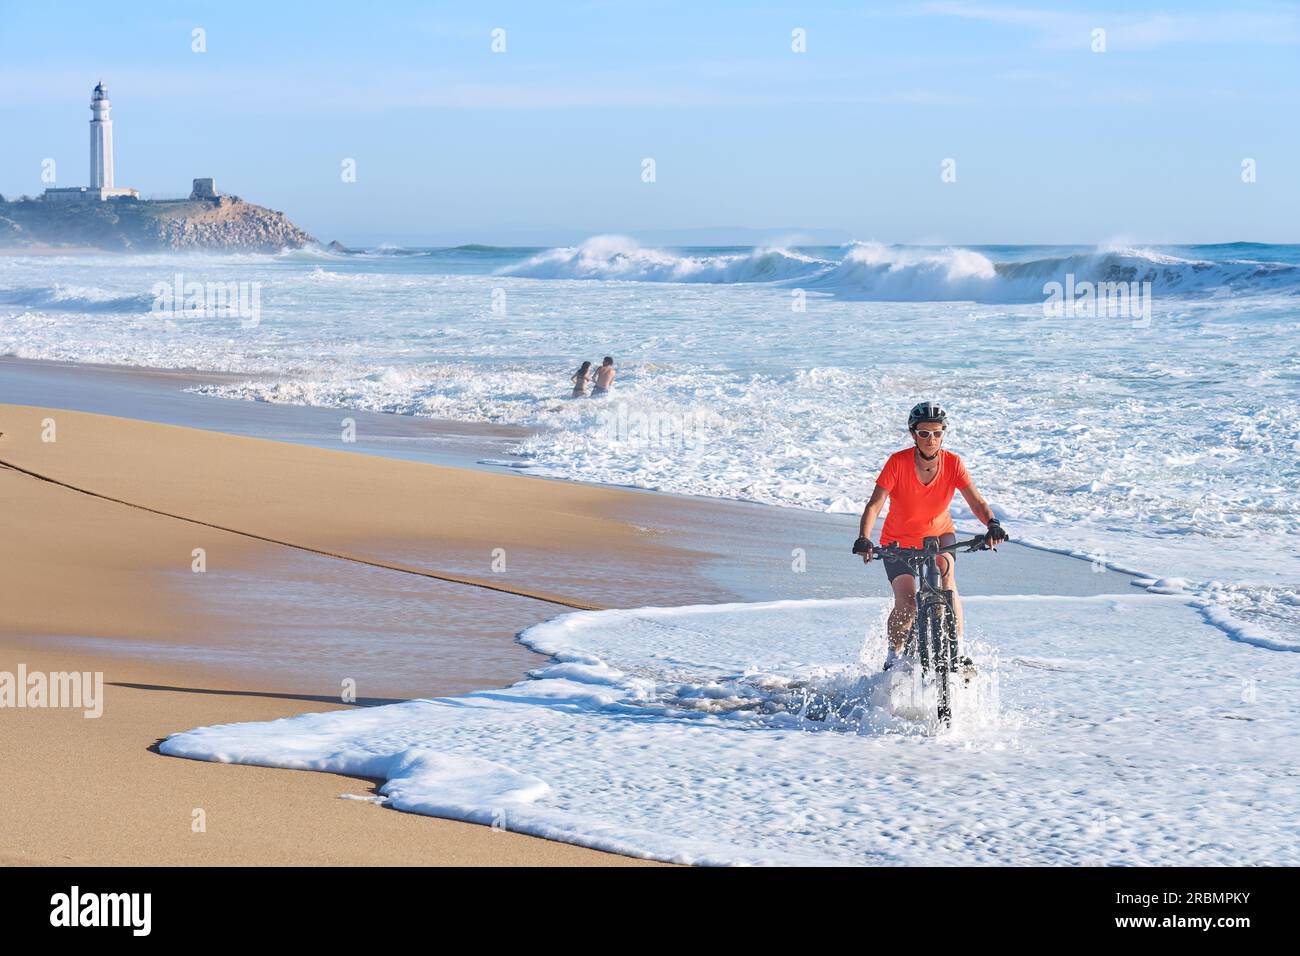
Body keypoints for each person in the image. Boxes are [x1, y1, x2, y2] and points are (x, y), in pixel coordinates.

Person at [854, 401, 1008, 671]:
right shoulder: (897, 462)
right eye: (924, 433)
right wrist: (864, 538)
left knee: (947, 585)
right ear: (913, 434)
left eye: (937, 433)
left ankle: (957, 649)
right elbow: (875, 504)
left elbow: (976, 502)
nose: (931, 439)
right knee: (907, 602)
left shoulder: (953, 463)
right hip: (898, 541)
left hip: (940, 535)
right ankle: (893, 656)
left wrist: (992, 524)